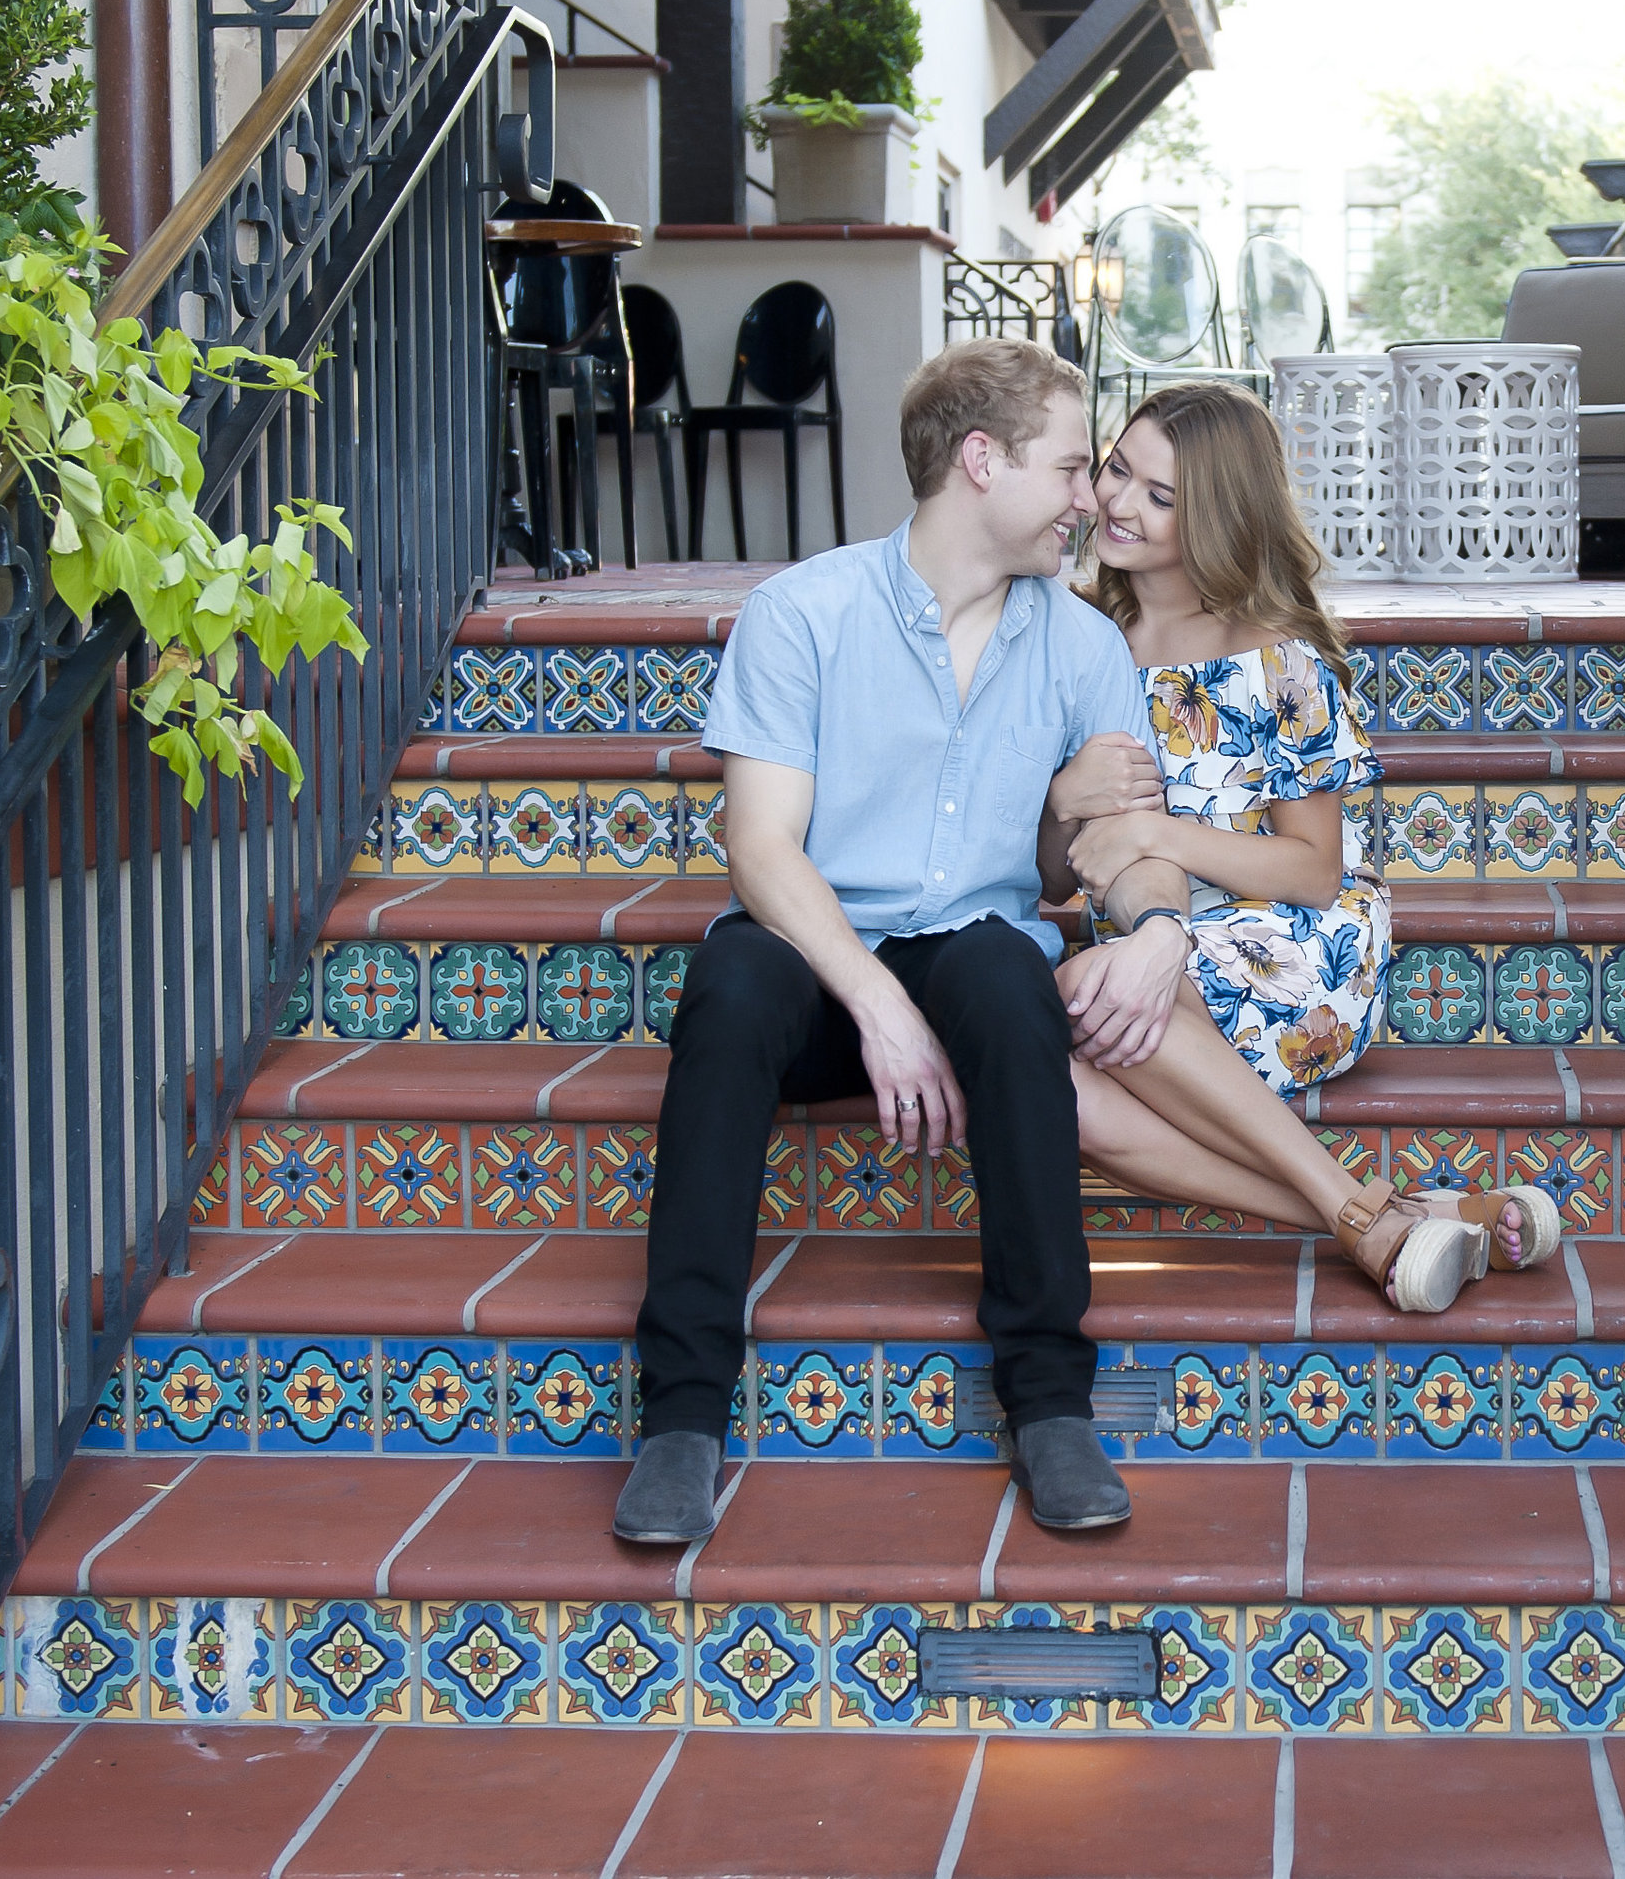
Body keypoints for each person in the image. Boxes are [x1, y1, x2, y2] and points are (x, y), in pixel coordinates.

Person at [612, 339, 1198, 1545]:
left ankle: (1048, 1400)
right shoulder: (803, 614)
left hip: (970, 956)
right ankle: (680, 1415)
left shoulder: (1084, 648)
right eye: (1073, 466)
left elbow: (1115, 854)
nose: (1090, 497)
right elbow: (763, 850)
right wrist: (878, 1005)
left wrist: (1156, 919)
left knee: (1002, 966)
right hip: (822, 962)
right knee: (728, 981)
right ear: (980, 462)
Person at [1041, 383, 1562, 1313]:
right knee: (1056, 1085)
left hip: (1299, 945)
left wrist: (1158, 832)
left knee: (1090, 997)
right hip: (1151, 942)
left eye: (1161, 497)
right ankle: (1390, 1214)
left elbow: (1312, 871)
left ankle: (1374, 1214)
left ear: (1217, 517)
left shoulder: (1276, 658)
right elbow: (1056, 869)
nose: (1119, 503)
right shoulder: (1076, 639)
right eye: (1118, 469)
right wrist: (1060, 807)